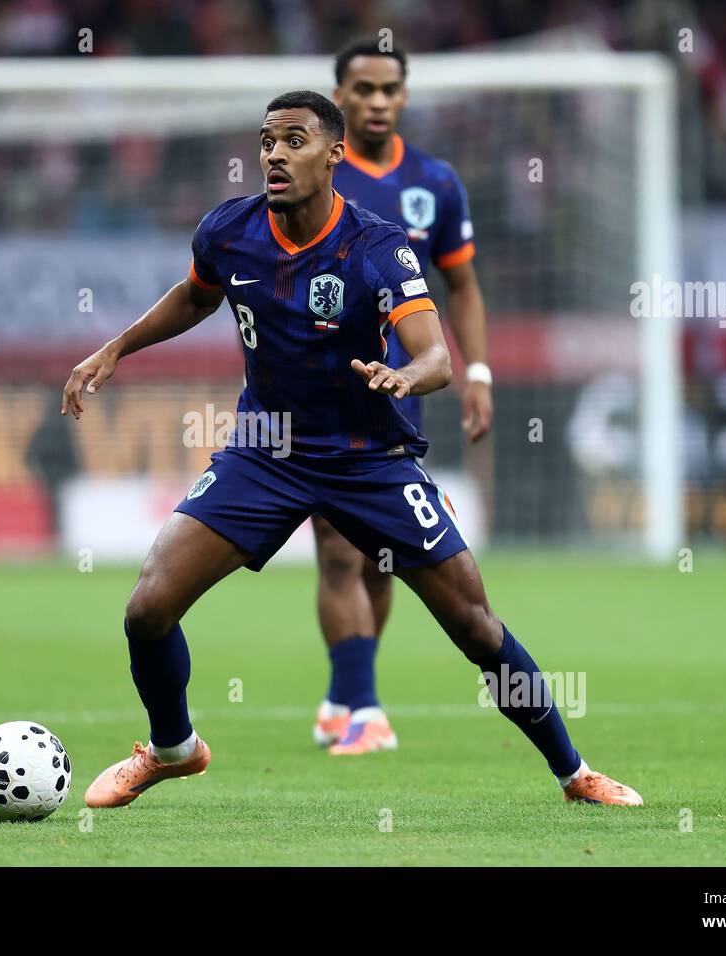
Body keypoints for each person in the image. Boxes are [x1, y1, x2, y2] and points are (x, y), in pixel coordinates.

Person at [62, 91, 642, 809]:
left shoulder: (377, 247)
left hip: (369, 456)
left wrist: (403, 374)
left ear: (334, 154)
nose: (274, 153)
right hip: (265, 450)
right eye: (268, 140)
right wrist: (117, 347)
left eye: (295, 140)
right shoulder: (228, 230)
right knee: (149, 605)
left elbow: (436, 356)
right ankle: (174, 749)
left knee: (472, 623)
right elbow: (195, 296)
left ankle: (573, 772)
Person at [311, 39, 494, 754]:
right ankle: (362, 705)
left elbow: (464, 286)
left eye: (390, 90)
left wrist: (476, 373)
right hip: (320, 395)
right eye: (363, 90)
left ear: (405, 97)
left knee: (381, 551)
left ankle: (345, 693)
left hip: (400, 393)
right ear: (340, 95)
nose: (378, 102)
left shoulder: (435, 183)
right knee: (336, 552)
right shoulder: (316, 172)